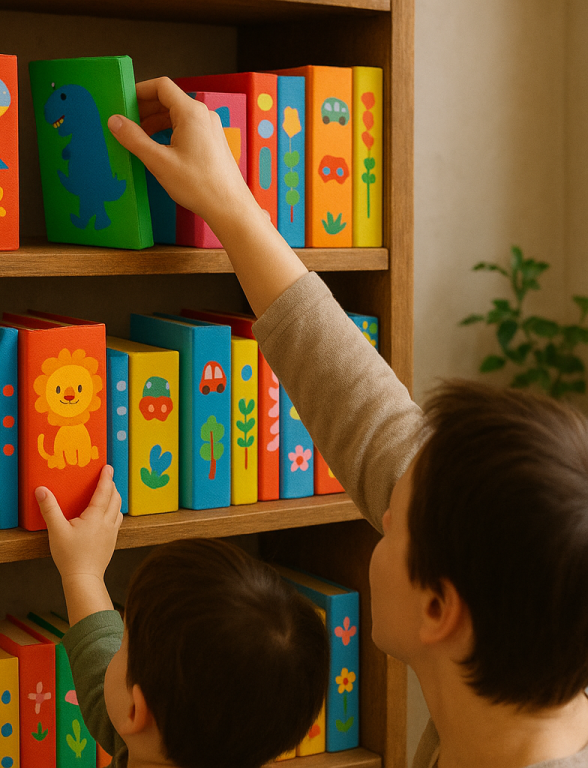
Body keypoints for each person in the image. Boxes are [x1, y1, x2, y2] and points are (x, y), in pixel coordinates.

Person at [41, 76, 588, 768]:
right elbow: (363, 407)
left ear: (437, 610)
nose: (382, 511)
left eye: (400, 524)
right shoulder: (534, 657)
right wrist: (229, 204)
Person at [36, 466, 329, 768]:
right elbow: (100, 670)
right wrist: (83, 573)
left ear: (136, 711)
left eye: (124, 640)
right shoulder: (166, 740)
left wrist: (82, 572)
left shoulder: (141, 738)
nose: (113, 647)